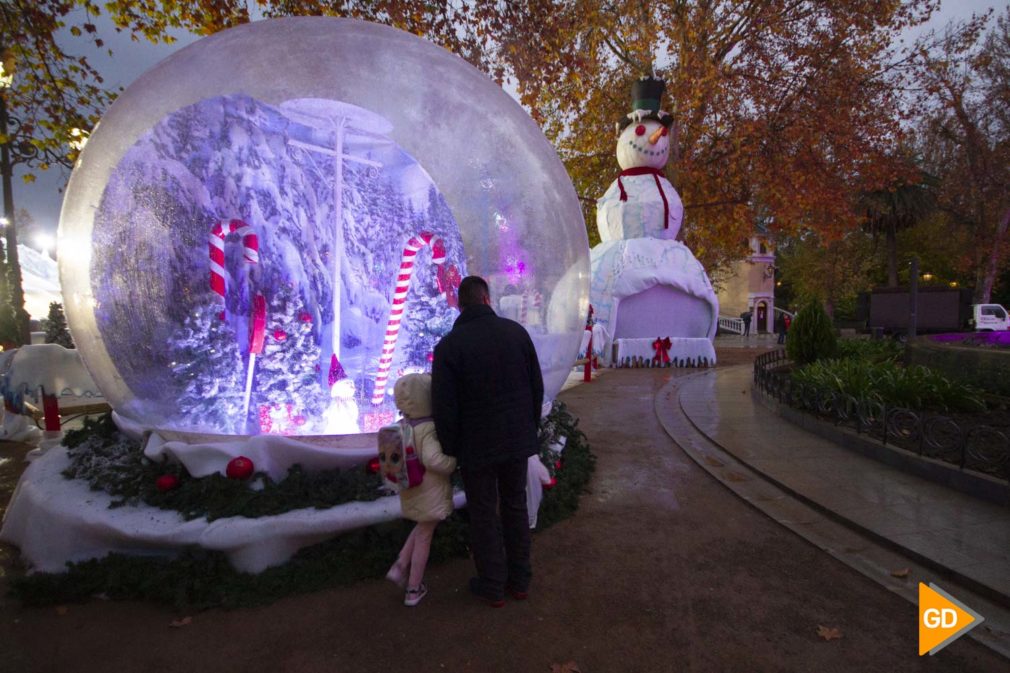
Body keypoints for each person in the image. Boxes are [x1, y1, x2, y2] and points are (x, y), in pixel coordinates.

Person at [431, 276, 544, 607]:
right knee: (514, 504)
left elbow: (444, 407)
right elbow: (536, 389)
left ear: (460, 304)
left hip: (476, 446)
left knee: (482, 511)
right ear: (487, 299)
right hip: (515, 438)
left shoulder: (449, 347)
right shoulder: (517, 334)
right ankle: (520, 580)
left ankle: (493, 583)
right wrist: (528, 428)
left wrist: (452, 447)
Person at [385, 373, 457, 607]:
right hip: (430, 488)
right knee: (425, 533)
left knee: (423, 525)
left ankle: (400, 566)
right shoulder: (428, 429)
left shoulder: (401, 426)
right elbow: (433, 459)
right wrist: (453, 462)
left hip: (410, 487)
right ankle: (413, 589)